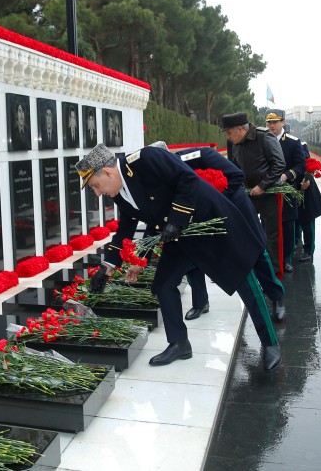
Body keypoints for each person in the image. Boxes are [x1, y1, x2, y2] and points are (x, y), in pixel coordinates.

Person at [77, 143, 281, 371]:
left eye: (95, 186)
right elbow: (126, 227)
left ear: (107, 172)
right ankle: (179, 343)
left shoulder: (146, 159)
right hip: (179, 235)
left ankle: (270, 343)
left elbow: (187, 179)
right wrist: (107, 267)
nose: (97, 193)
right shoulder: (119, 192)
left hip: (208, 225)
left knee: (244, 281)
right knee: (163, 284)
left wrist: (176, 220)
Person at [150, 141, 285, 321]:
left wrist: (214, 199)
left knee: (257, 252)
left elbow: (236, 176)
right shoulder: (159, 178)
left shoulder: (199, 155)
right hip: (201, 218)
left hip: (235, 207)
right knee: (193, 256)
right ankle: (200, 303)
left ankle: (276, 296)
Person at [224, 112, 286, 280]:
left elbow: (279, 164)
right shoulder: (234, 143)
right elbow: (234, 167)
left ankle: (275, 274)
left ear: (240, 129)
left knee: (273, 235)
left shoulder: (263, 137)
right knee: (247, 230)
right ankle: (253, 268)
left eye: (229, 133)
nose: (228, 138)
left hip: (269, 194)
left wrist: (262, 185)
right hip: (247, 194)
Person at [265, 110, 305, 273]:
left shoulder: (292, 142)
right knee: (268, 226)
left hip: (287, 191)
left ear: (283, 122)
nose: (272, 125)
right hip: (267, 191)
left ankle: (286, 259)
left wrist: (286, 176)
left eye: (275, 122)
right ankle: (271, 258)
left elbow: (300, 165)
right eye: (269, 122)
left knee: (287, 226)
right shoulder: (263, 140)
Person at [298, 141, 321, 262]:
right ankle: (294, 243)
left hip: (304, 187)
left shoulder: (299, 144)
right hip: (287, 186)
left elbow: (307, 163)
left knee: (307, 220)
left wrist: (307, 179)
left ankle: (308, 250)